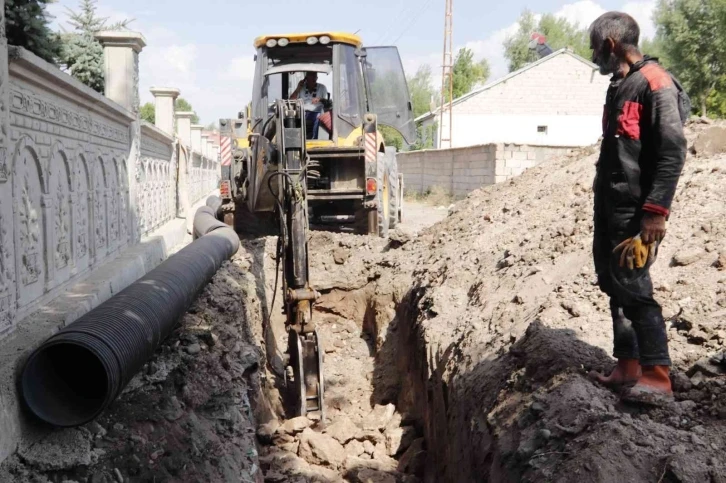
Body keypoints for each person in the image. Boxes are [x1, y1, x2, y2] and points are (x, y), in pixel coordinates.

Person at [587, 11, 687, 405]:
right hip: (613, 208)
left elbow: (671, 151)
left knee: (636, 288)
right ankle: (626, 366)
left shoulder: (655, 84)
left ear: (611, 45)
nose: (595, 57)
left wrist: (655, 211)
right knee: (616, 286)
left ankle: (657, 375)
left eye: (596, 50)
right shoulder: (622, 85)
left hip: (638, 212)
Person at [291, 71, 328, 139]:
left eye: (315, 76)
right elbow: (291, 100)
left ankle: (314, 139)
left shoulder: (322, 87)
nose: (314, 78)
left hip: (317, 112)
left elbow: (327, 102)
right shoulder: (301, 88)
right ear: (306, 78)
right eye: (311, 75)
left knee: (318, 117)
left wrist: (320, 99)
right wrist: (298, 88)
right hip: (303, 113)